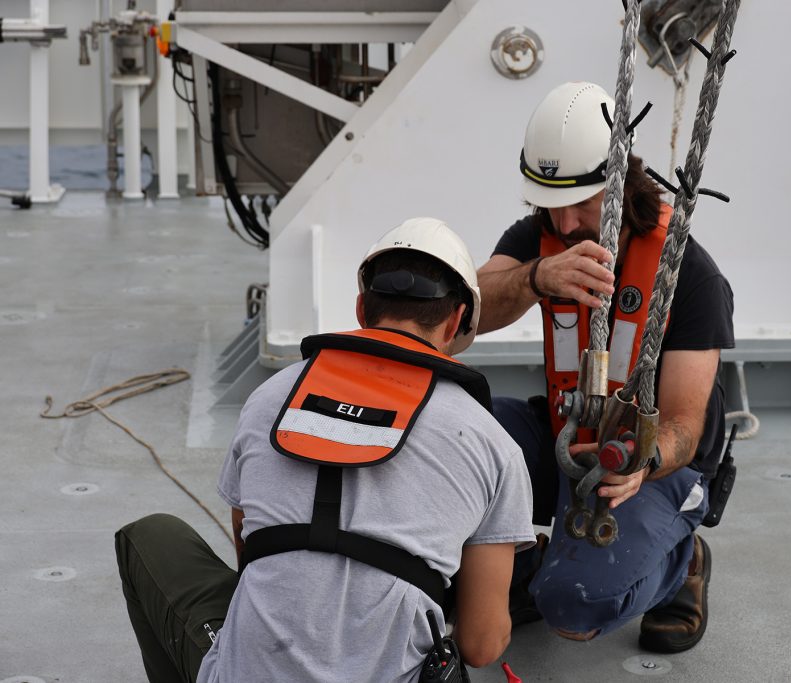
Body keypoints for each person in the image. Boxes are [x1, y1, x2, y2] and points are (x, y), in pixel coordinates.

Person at [115, 217, 536, 683]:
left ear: (361, 308)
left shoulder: (270, 399)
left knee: (149, 536)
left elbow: (249, 553)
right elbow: (481, 645)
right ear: (458, 320)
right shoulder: (492, 442)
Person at [477, 81, 735, 653]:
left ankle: (682, 560)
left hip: (650, 467)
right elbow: (461, 314)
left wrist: (642, 460)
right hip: (567, 437)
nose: (566, 224)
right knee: (448, 431)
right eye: (551, 203)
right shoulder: (541, 238)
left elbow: (685, 430)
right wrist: (534, 277)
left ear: (622, 183)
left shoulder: (690, 273)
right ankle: (523, 562)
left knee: (573, 607)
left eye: (583, 202)